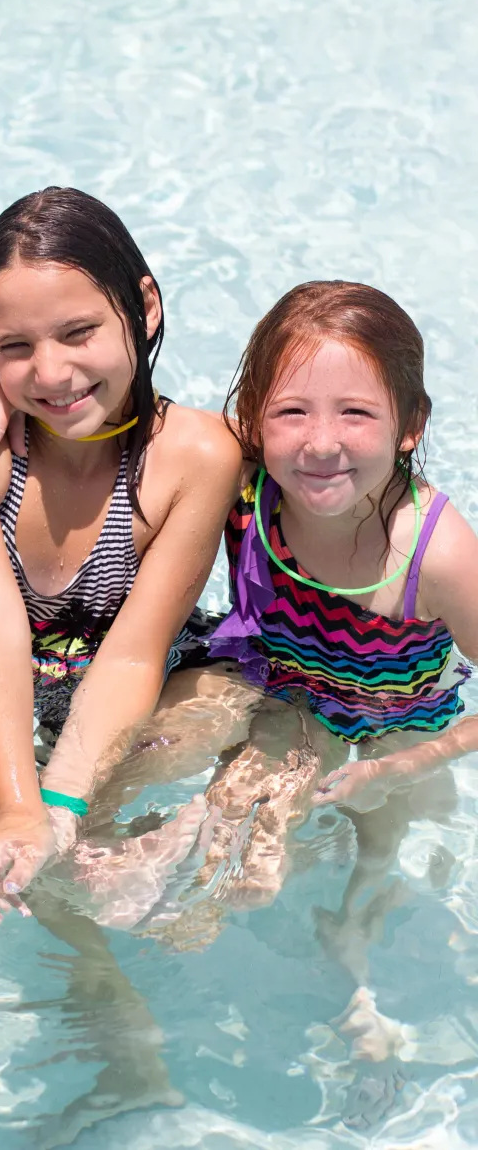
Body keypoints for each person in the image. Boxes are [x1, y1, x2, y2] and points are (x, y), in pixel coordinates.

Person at [0, 186, 245, 919]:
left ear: (145, 306)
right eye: (16, 347)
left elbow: (133, 654)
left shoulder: (196, 456)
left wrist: (55, 810)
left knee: (240, 700)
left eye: (78, 332)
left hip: (123, 679)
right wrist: (13, 804)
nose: (54, 373)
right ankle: (78, 872)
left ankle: (80, 851)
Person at [176, 281, 476, 1068]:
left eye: (356, 412)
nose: (318, 442)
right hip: (290, 696)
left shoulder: (435, 557)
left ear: (411, 427)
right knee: (234, 850)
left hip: (398, 722)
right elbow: (101, 419)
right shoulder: (242, 475)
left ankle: (359, 987)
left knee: (379, 855)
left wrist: (410, 762)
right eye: (291, 411)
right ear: (251, 418)